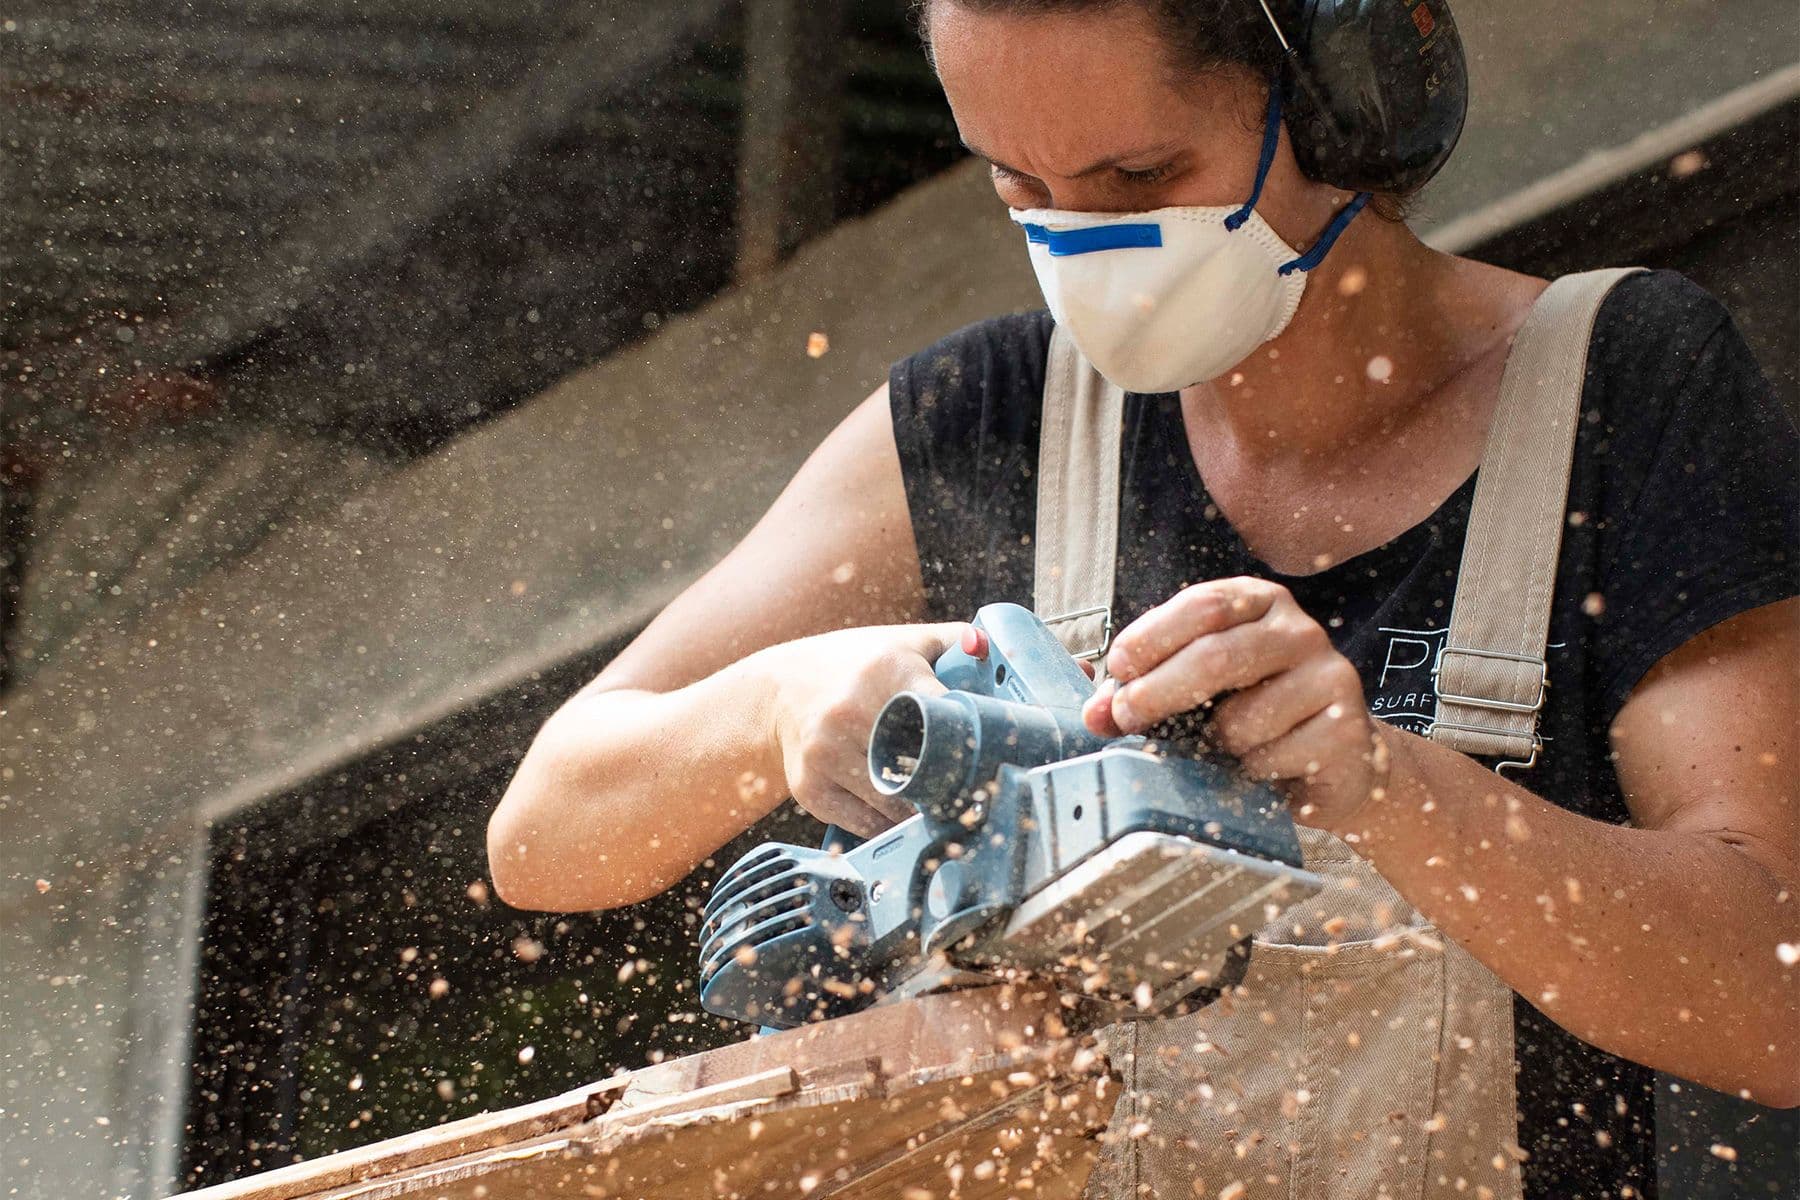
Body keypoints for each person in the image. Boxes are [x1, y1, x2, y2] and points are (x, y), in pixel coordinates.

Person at [487, 1, 1800, 1195]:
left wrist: (1386, 789)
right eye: (1025, 188)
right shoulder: (984, 422)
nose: (1088, 244)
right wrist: (777, 706)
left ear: (1352, 102)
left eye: (1142, 178)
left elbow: (1774, 1003)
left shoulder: (1618, 391)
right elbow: (545, 830)